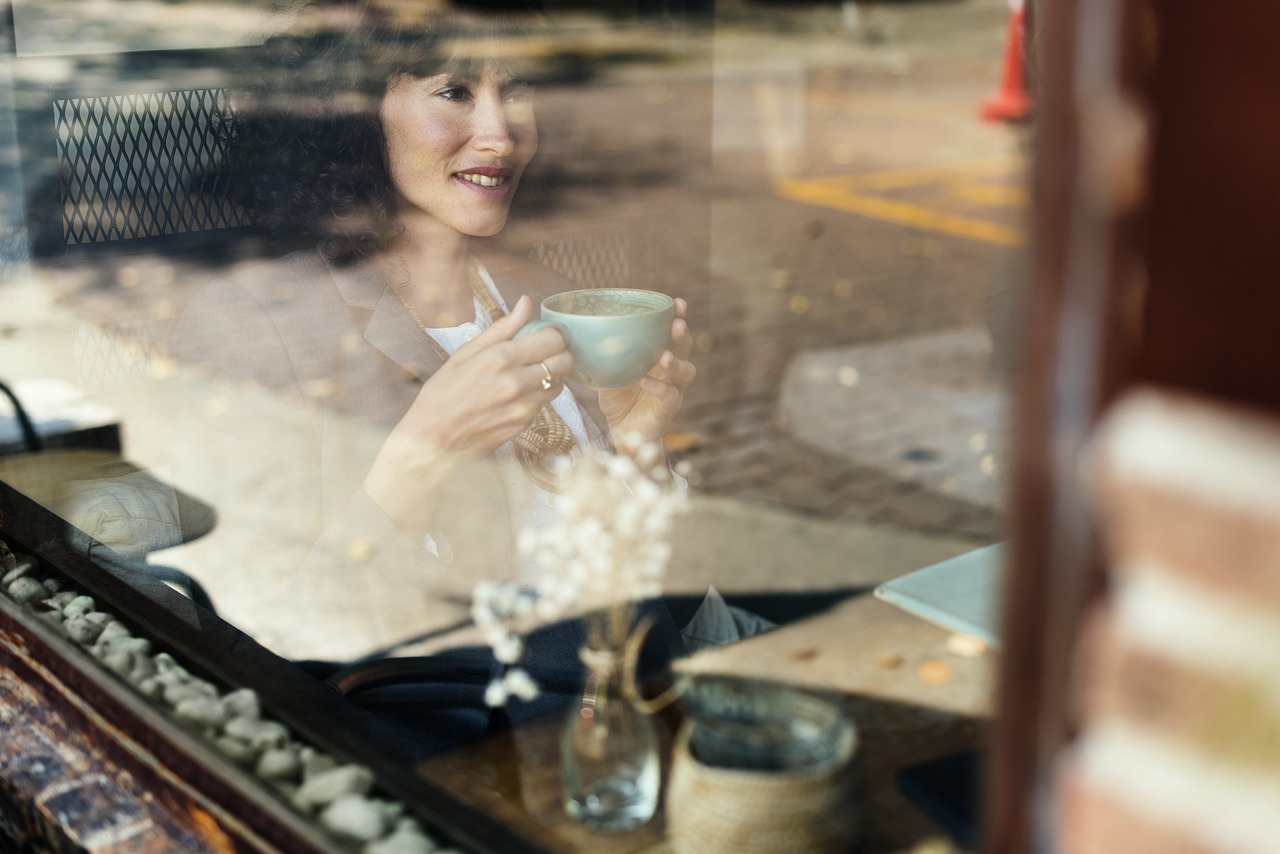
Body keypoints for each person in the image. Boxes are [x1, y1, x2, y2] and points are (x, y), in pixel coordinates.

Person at [167, 0, 708, 754]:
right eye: (454, 90)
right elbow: (265, 632)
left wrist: (636, 440)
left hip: (624, 714)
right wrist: (423, 451)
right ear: (350, 115)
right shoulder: (258, 324)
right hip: (461, 761)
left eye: (515, 88)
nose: (500, 132)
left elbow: (625, 584)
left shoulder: (546, 298)